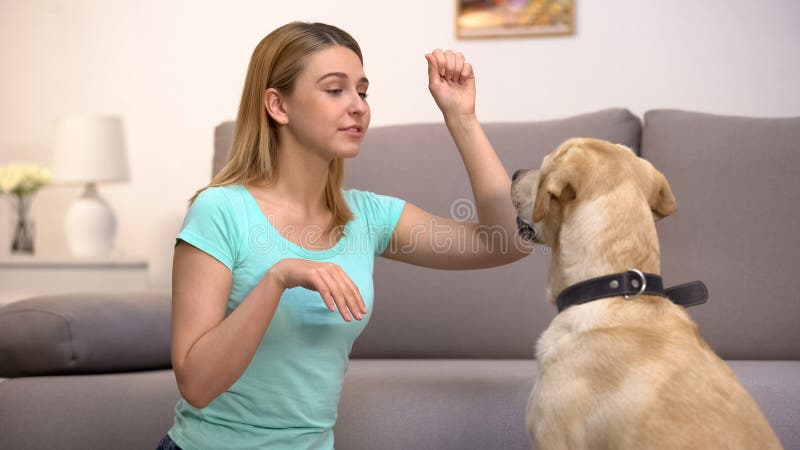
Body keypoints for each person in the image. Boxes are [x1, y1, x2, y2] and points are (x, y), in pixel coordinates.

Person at [157, 21, 532, 450]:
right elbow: (197, 384)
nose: (358, 106)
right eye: (335, 90)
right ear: (278, 106)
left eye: (363, 91)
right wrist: (278, 277)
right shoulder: (220, 211)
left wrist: (462, 117)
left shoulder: (367, 217)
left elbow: (505, 242)